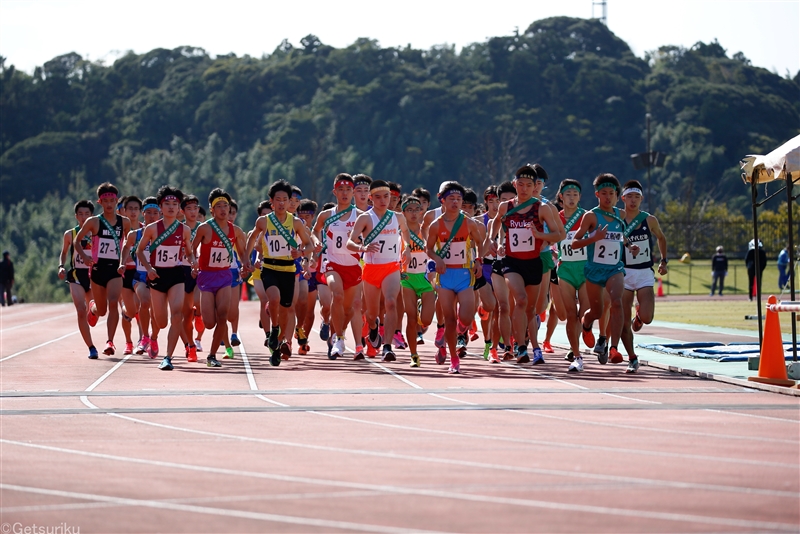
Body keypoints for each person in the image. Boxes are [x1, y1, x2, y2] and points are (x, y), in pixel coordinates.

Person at [571, 173, 639, 370]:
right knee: (597, 311)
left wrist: (630, 246)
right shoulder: (590, 216)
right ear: (597, 195)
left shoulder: (621, 215)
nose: (608, 197)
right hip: (593, 269)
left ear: (617, 196)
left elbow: (621, 236)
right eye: (604, 193)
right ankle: (586, 323)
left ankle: (614, 348)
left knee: (616, 302)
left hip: (614, 268)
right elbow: (575, 243)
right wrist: (595, 237)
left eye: (612, 193)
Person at [246, 180, 313, 366]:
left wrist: (300, 252)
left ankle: (277, 346)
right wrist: (246, 259)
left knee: (286, 309)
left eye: (285, 199)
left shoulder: (296, 223)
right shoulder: (263, 221)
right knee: (273, 299)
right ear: (271, 202)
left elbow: (310, 245)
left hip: (288, 270)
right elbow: (251, 240)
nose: (282, 203)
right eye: (278, 199)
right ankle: (274, 330)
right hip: (269, 268)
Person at [346, 179, 412, 363]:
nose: (383, 200)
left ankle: (388, 346)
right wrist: (363, 248)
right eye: (378, 197)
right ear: (370, 198)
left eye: (386, 196)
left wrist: (406, 247)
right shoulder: (365, 218)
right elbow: (349, 243)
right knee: (372, 313)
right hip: (371, 268)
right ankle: (373, 327)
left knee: (391, 303)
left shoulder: (397, 217)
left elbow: (405, 232)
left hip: (391, 267)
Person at [135, 186, 198, 371]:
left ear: (179, 208)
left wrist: (193, 262)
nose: (171, 207)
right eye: (167, 204)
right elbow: (139, 250)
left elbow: (189, 252)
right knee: (161, 322)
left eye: (175, 204)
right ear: (161, 207)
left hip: (176, 274)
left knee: (177, 315)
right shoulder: (152, 228)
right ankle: (154, 337)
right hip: (157, 275)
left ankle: (168, 357)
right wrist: (148, 268)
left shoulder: (184, 230)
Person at [427, 181, 486, 373]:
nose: (455, 202)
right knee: (449, 320)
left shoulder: (469, 222)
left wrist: (478, 260)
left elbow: (480, 243)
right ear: (442, 201)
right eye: (451, 198)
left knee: (466, 317)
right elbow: (428, 249)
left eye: (459, 199)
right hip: (445, 276)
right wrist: (437, 259)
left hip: (464, 274)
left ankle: (462, 329)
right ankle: (454, 359)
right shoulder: (436, 225)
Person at [192, 188, 251, 368]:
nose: (223, 210)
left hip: (225, 276)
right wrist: (193, 263)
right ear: (212, 209)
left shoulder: (236, 231)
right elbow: (191, 250)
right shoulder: (204, 228)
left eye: (226, 205)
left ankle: (212, 355)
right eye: (219, 206)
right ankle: (205, 319)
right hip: (207, 277)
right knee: (210, 323)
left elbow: (242, 252)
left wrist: (245, 265)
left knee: (223, 316)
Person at [74, 182, 132, 357]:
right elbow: (77, 241)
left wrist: (124, 261)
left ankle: (110, 341)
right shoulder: (94, 222)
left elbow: (127, 245)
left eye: (112, 200)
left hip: (115, 270)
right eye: (105, 200)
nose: (109, 204)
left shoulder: (125, 222)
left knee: (113, 302)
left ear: (116, 202)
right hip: (97, 270)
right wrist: (85, 258)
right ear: (100, 202)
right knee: (102, 310)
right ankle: (92, 307)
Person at [312, 174, 365, 360]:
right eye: (340, 190)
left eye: (348, 190)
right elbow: (315, 230)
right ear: (334, 192)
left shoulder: (360, 216)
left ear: (353, 192)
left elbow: (371, 236)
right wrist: (316, 242)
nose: (344, 193)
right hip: (332, 264)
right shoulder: (326, 215)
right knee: (338, 295)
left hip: (352, 266)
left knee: (349, 309)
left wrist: (361, 240)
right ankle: (340, 338)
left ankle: (338, 333)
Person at [619, 180, 668, 374]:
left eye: (637, 197)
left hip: (644, 272)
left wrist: (664, 261)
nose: (633, 201)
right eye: (629, 197)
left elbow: (661, 238)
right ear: (623, 198)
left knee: (647, 318)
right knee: (623, 320)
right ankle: (631, 357)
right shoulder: (618, 218)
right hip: (622, 272)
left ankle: (639, 314)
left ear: (641, 199)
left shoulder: (649, 220)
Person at [58, 200, 97, 358]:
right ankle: (91, 347)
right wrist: (61, 266)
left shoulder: (98, 233)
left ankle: (92, 312)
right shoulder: (70, 234)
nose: (83, 217)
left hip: (94, 276)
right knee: (81, 310)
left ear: (92, 216)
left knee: (96, 311)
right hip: (76, 275)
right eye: (80, 214)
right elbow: (64, 252)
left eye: (87, 214)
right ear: (76, 216)